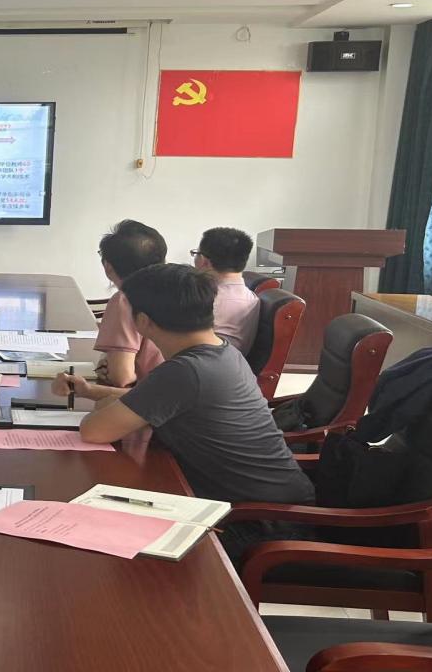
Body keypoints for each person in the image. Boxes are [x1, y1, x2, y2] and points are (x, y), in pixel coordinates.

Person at [52, 263, 314, 564]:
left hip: (258, 523)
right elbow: (156, 401)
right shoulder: (221, 352)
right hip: (274, 508)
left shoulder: (185, 371)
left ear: (142, 321)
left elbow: (94, 431)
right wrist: (91, 391)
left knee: (109, 551)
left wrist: (100, 402)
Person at [93, 219, 168, 387]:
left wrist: (112, 368)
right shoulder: (180, 290)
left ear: (108, 267)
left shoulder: (125, 300)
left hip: (153, 395)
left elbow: (122, 378)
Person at [192, 227, 261, 352]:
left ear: (204, 261)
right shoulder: (251, 296)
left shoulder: (209, 301)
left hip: (202, 359)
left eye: (196, 253)